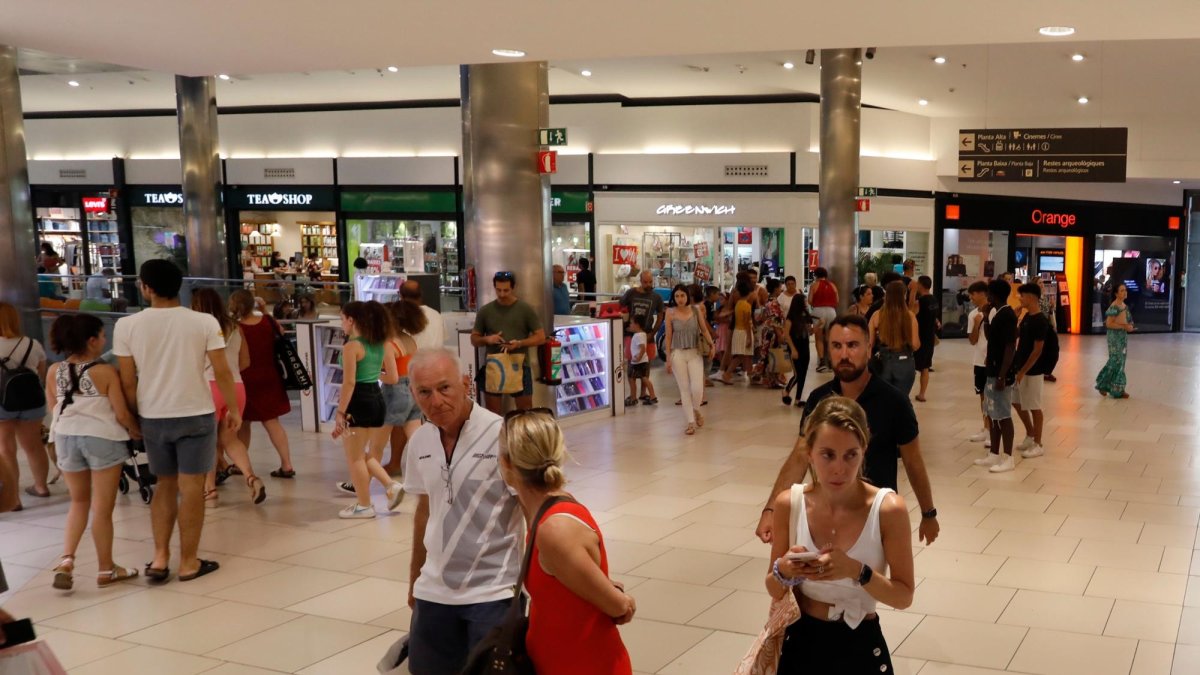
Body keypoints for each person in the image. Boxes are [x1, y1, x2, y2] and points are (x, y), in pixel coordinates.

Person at [755, 315, 939, 549]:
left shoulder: (894, 402)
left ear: (868, 348)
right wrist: (771, 509)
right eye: (836, 346)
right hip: (825, 516)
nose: (844, 355)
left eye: (852, 345)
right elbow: (800, 456)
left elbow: (913, 461)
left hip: (875, 518)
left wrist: (928, 513)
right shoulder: (819, 399)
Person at [114, 259, 240, 582]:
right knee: (192, 487)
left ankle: (159, 559)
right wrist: (235, 410)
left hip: (153, 415)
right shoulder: (204, 322)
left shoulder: (127, 326)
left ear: (145, 287)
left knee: (164, 486)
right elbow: (222, 371)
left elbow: (128, 381)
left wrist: (131, 419)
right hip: (196, 412)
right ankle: (188, 561)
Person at [767, 397, 914, 672]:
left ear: (864, 450)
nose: (839, 468)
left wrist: (857, 571)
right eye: (828, 454)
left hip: (860, 642)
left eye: (850, 455)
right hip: (801, 640)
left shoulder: (887, 509)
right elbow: (773, 588)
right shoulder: (790, 503)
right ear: (809, 452)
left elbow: (903, 596)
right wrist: (784, 570)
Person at [403, 348, 525, 675]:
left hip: (495, 591)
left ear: (465, 383)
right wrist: (415, 579)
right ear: (411, 392)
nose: (436, 401)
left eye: (445, 388)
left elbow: (536, 510)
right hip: (434, 591)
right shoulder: (420, 442)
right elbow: (425, 511)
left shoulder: (503, 436)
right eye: (424, 392)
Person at [499, 409, 634, 674]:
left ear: (507, 463)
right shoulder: (546, 510)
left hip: (582, 664)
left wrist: (624, 600)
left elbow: (618, 607)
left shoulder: (555, 529)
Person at [45, 313, 141, 590]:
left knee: (78, 502)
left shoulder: (54, 371)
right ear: (91, 341)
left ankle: (66, 560)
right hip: (101, 438)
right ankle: (106, 569)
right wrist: (136, 431)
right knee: (102, 508)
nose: (105, 340)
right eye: (101, 335)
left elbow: (54, 407)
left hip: (65, 438)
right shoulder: (105, 372)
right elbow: (121, 413)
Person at [190, 289, 263, 507]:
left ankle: (210, 490)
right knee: (231, 439)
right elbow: (245, 361)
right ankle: (251, 477)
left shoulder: (198, 329)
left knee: (209, 442)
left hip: (208, 387)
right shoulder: (235, 327)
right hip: (236, 387)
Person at [333, 301, 402, 519]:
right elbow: (392, 377)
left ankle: (364, 505)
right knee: (364, 454)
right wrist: (373, 375)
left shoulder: (351, 347)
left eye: (342, 319)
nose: (341, 323)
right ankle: (390, 485)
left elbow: (349, 382)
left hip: (358, 401)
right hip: (376, 399)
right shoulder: (382, 343)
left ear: (351, 320)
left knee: (354, 457)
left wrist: (340, 412)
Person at [228, 290, 297, 479]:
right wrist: (264, 309)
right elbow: (281, 333)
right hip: (270, 376)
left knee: (243, 422)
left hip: (245, 377)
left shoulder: (235, 327)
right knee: (272, 422)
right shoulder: (267, 322)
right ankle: (287, 464)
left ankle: (239, 463)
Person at [471, 271, 547, 414]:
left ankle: (522, 436)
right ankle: (498, 436)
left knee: (525, 412)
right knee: (493, 414)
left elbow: (541, 337)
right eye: (498, 290)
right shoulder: (485, 311)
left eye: (506, 290)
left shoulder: (525, 309)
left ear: (513, 288)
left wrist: (519, 343)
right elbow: (474, 339)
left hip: (520, 365)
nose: (502, 294)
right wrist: (487, 339)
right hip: (494, 365)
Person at [0, 302, 50, 509]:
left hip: (2, 403)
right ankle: (41, 486)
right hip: (32, 401)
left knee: (6, 448)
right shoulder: (32, 343)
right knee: (34, 446)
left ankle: (14, 499)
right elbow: (41, 373)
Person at [372, 300, 427, 476]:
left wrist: (374, 374)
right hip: (414, 390)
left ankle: (361, 481)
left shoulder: (388, 345)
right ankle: (430, 473)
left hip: (395, 393)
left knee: (377, 444)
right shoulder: (409, 340)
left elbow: (392, 377)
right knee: (416, 438)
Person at [975, 279, 1019, 473]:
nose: (988, 297)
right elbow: (990, 335)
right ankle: (994, 453)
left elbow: (1010, 347)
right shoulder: (997, 313)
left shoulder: (1007, 315)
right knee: (992, 413)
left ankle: (1008, 457)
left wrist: (1002, 375)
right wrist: (985, 316)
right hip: (992, 370)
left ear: (994, 295)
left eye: (989, 294)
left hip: (1001, 373)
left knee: (1003, 415)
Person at [664, 284, 714, 435]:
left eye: (682, 296)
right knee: (684, 389)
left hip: (695, 352)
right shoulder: (670, 312)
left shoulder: (695, 310)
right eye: (677, 296)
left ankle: (696, 410)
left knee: (697, 388)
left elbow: (704, 329)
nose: (680, 299)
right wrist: (668, 357)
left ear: (687, 296)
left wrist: (712, 345)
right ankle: (690, 422)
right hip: (678, 353)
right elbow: (668, 335)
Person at [1012, 283, 1051, 459]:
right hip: (1020, 367)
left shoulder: (1041, 321)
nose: (1020, 298)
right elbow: (1017, 337)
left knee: (1034, 406)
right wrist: (1016, 318)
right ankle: (1030, 434)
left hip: (1033, 371)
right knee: (1016, 402)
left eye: (1023, 295)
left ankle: (1038, 443)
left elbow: (1038, 350)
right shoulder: (1027, 316)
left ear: (1032, 297)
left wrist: (1024, 371)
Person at [868, 280, 921, 396]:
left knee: (883, 401)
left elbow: (869, 344)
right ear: (904, 296)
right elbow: (915, 345)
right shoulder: (910, 316)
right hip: (905, 362)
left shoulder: (877, 315)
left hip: (882, 362)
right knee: (901, 401)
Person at [619, 270, 665, 371]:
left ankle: (644, 387)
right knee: (632, 368)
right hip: (630, 335)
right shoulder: (631, 293)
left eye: (650, 282)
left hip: (647, 335)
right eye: (645, 282)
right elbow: (620, 307)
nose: (648, 284)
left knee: (645, 369)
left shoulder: (656, 297)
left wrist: (652, 334)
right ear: (640, 281)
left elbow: (660, 316)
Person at [782, 290, 820, 407]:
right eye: (804, 301)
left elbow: (810, 332)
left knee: (803, 374)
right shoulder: (791, 317)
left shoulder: (806, 316)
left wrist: (819, 325)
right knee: (798, 373)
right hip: (795, 346)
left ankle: (798, 399)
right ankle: (786, 391)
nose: (806, 303)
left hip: (805, 346)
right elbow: (786, 334)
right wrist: (793, 349)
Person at [1096, 283, 1135, 399]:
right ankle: (1104, 384)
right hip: (1114, 337)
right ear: (1116, 294)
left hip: (1122, 337)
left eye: (1125, 290)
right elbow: (1109, 324)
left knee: (1121, 361)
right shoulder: (1114, 307)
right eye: (1122, 290)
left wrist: (1129, 327)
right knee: (1115, 360)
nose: (1124, 292)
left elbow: (1129, 321)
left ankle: (1118, 389)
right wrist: (1124, 327)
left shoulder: (1124, 306)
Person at [965, 281, 992, 445]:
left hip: (992, 361)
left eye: (973, 294)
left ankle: (993, 430)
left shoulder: (994, 311)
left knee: (992, 396)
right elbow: (973, 341)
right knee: (982, 396)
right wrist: (976, 324)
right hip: (979, 361)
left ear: (982, 293)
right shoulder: (972, 314)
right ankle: (986, 428)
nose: (971, 298)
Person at [719, 277, 756, 385]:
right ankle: (727, 374)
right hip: (744, 333)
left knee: (745, 355)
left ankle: (750, 374)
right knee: (742, 355)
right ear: (749, 292)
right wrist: (749, 336)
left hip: (737, 331)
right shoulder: (747, 306)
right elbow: (747, 322)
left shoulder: (738, 304)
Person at [913, 276, 939, 402]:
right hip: (929, 337)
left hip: (918, 337)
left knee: (911, 365)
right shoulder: (934, 300)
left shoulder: (920, 302)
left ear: (920, 285)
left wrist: (912, 294)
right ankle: (922, 393)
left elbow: (911, 314)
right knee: (925, 367)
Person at [401, 280, 445, 352]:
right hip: (437, 360)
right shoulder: (436, 314)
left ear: (401, 296)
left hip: (414, 361)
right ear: (421, 294)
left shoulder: (403, 317)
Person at [808, 268, 838, 372]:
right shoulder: (832, 285)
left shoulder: (814, 285)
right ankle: (831, 361)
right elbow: (837, 300)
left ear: (816, 275)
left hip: (818, 312)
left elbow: (810, 300)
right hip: (831, 311)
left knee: (819, 338)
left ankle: (821, 362)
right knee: (830, 338)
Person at [625, 317, 656, 406]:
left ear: (637, 324)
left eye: (631, 323)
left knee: (631, 378)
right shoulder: (642, 334)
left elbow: (642, 347)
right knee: (644, 378)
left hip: (638, 362)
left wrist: (638, 357)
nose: (630, 325)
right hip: (642, 361)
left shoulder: (638, 336)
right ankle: (652, 396)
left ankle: (633, 398)